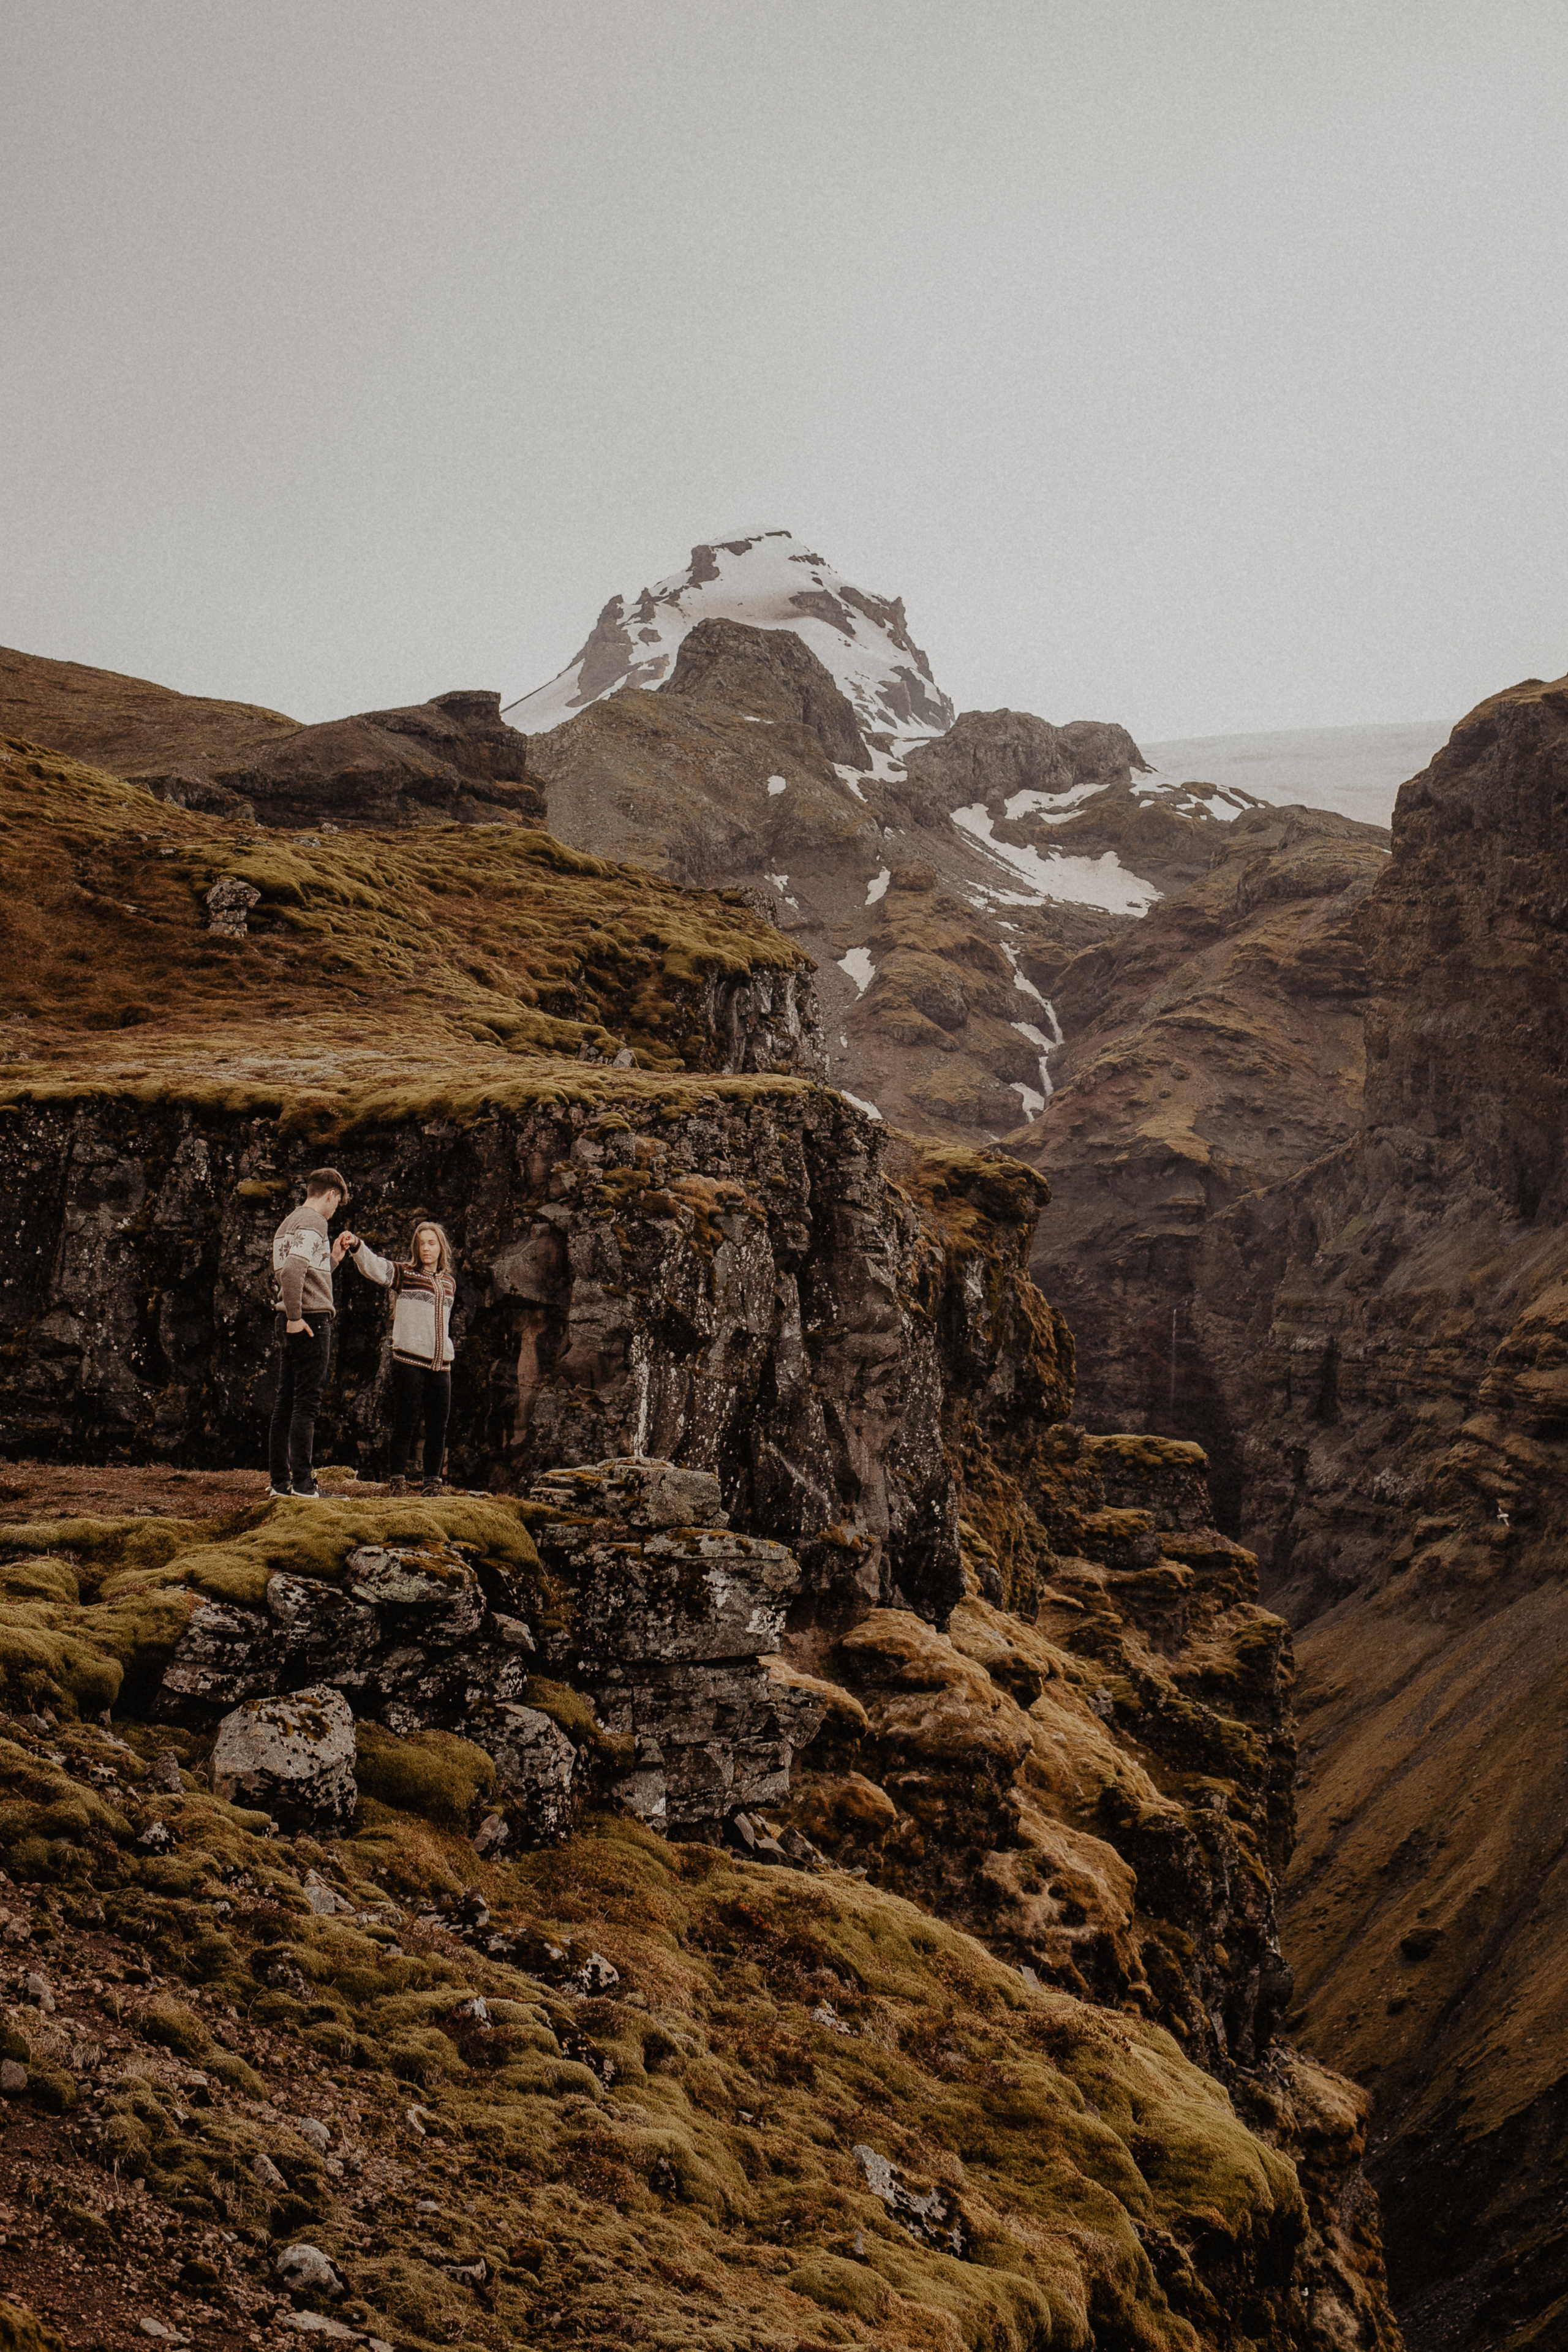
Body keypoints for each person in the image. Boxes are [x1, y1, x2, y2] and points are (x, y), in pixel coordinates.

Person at [267, 1167, 358, 1501]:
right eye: (337, 1204)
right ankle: (304, 1486)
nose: (335, 1211)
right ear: (331, 1194)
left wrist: (333, 1259)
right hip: (309, 1321)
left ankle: (281, 1483)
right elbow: (293, 1271)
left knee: (284, 1402)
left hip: (292, 1317)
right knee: (306, 1403)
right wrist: (295, 1317)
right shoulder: (315, 1222)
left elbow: (300, 1271)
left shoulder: (287, 1222)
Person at [350, 1220, 458, 1496]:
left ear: (441, 1247)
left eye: (431, 1243)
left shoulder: (449, 1283)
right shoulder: (406, 1274)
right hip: (409, 1361)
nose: (426, 1248)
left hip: (441, 1364)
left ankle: (432, 1483)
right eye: (421, 1243)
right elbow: (376, 1268)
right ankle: (397, 1481)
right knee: (405, 1423)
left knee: (438, 1426)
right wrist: (357, 1246)